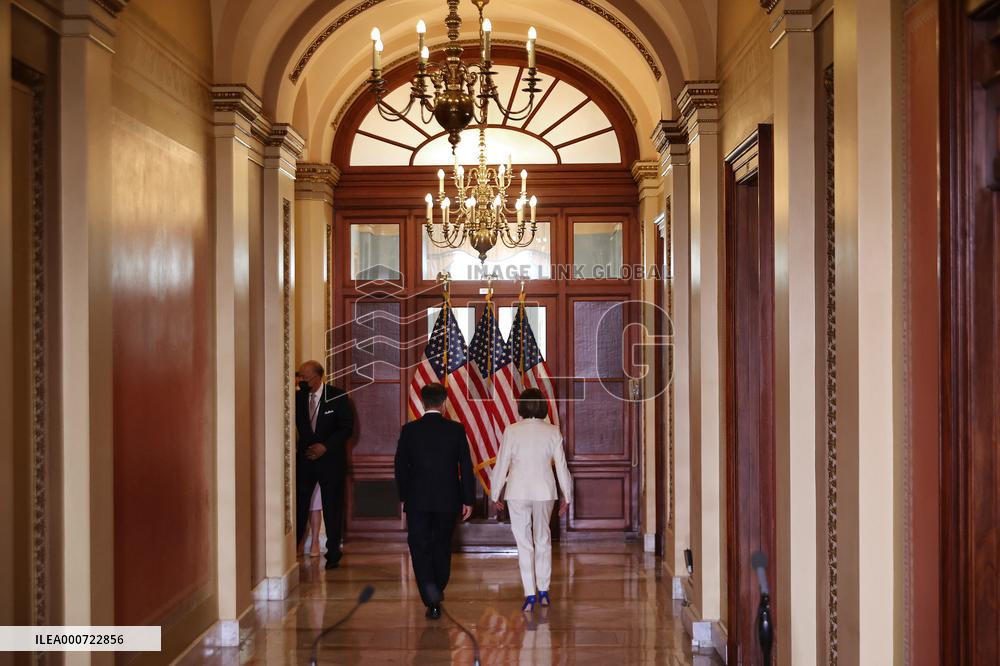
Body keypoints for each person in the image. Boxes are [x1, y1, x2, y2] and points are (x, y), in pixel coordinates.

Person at [394, 383, 475, 619]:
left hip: (417, 500)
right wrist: (468, 499)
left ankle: (431, 596)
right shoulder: (456, 429)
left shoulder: (409, 430)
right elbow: (466, 467)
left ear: (422, 402)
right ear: (444, 403)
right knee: (442, 546)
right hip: (448, 499)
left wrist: (403, 496)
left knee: (419, 547)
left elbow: (400, 467)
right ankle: (436, 590)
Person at [490, 388, 572, 611]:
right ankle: (544, 589)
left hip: (517, 491)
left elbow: (502, 463)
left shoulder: (512, 430)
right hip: (545, 491)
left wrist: (494, 493)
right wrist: (567, 495)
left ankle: (530, 594)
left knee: (524, 543)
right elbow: (561, 466)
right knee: (543, 538)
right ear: (543, 405)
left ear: (522, 406)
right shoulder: (553, 430)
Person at [296, 360, 354, 570]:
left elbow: (346, 428)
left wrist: (325, 447)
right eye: (299, 376)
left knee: (332, 506)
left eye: (305, 376)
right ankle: (293, 548)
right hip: (306, 460)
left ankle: (333, 553)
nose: (301, 380)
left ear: (318, 377)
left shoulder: (337, 396)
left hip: (331, 461)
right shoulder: (297, 397)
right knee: (300, 504)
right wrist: (310, 448)